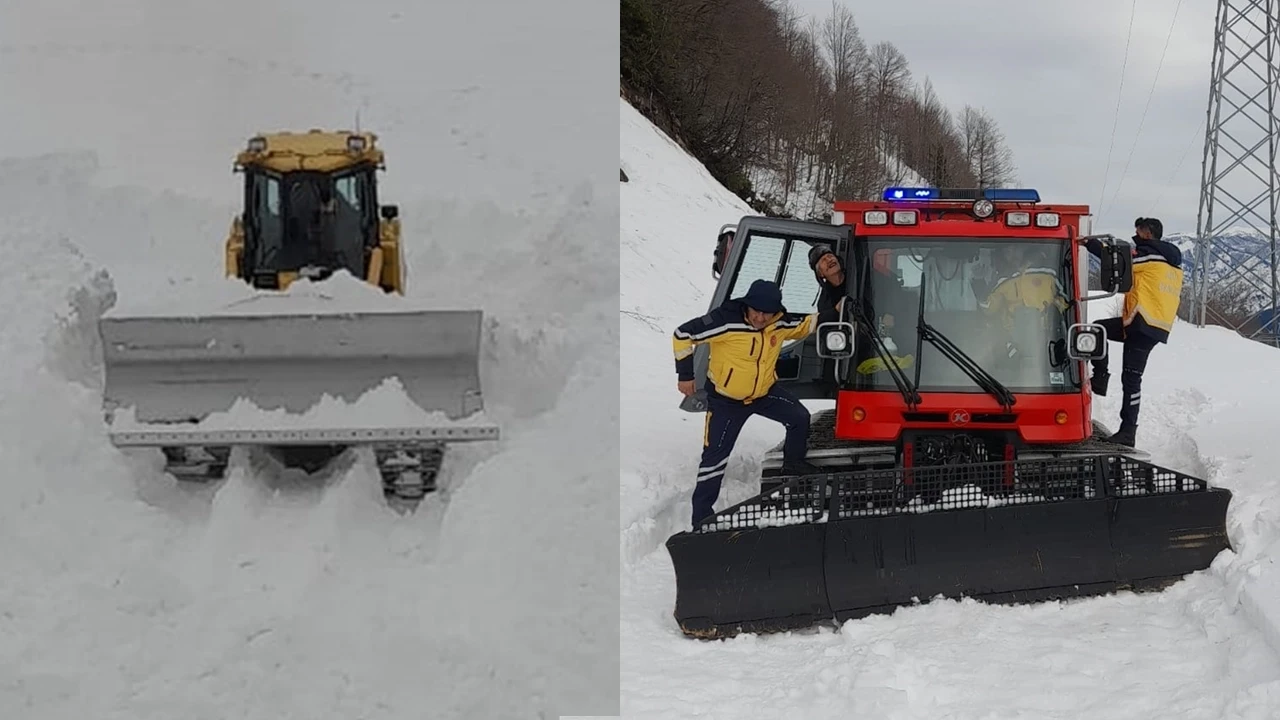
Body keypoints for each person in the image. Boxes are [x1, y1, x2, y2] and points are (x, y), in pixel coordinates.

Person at [673, 278, 842, 526]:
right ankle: (701, 520)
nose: (761, 318)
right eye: (757, 311)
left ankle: (793, 464)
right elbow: (682, 334)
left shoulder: (779, 323)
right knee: (714, 460)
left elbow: (807, 324)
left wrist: (835, 312)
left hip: (763, 394)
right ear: (747, 305)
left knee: (799, 418)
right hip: (726, 402)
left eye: (767, 313)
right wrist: (685, 374)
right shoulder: (725, 321)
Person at [1081, 217, 1183, 447]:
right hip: (1154, 324)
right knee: (1100, 329)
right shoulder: (1172, 264)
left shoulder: (1149, 256)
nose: (1135, 234)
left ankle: (1128, 431)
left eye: (1138, 230)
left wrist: (1090, 243)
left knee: (1132, 378)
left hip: (1142, 322)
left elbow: (1118, 261)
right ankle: (1100, 379)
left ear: (1147, 232)